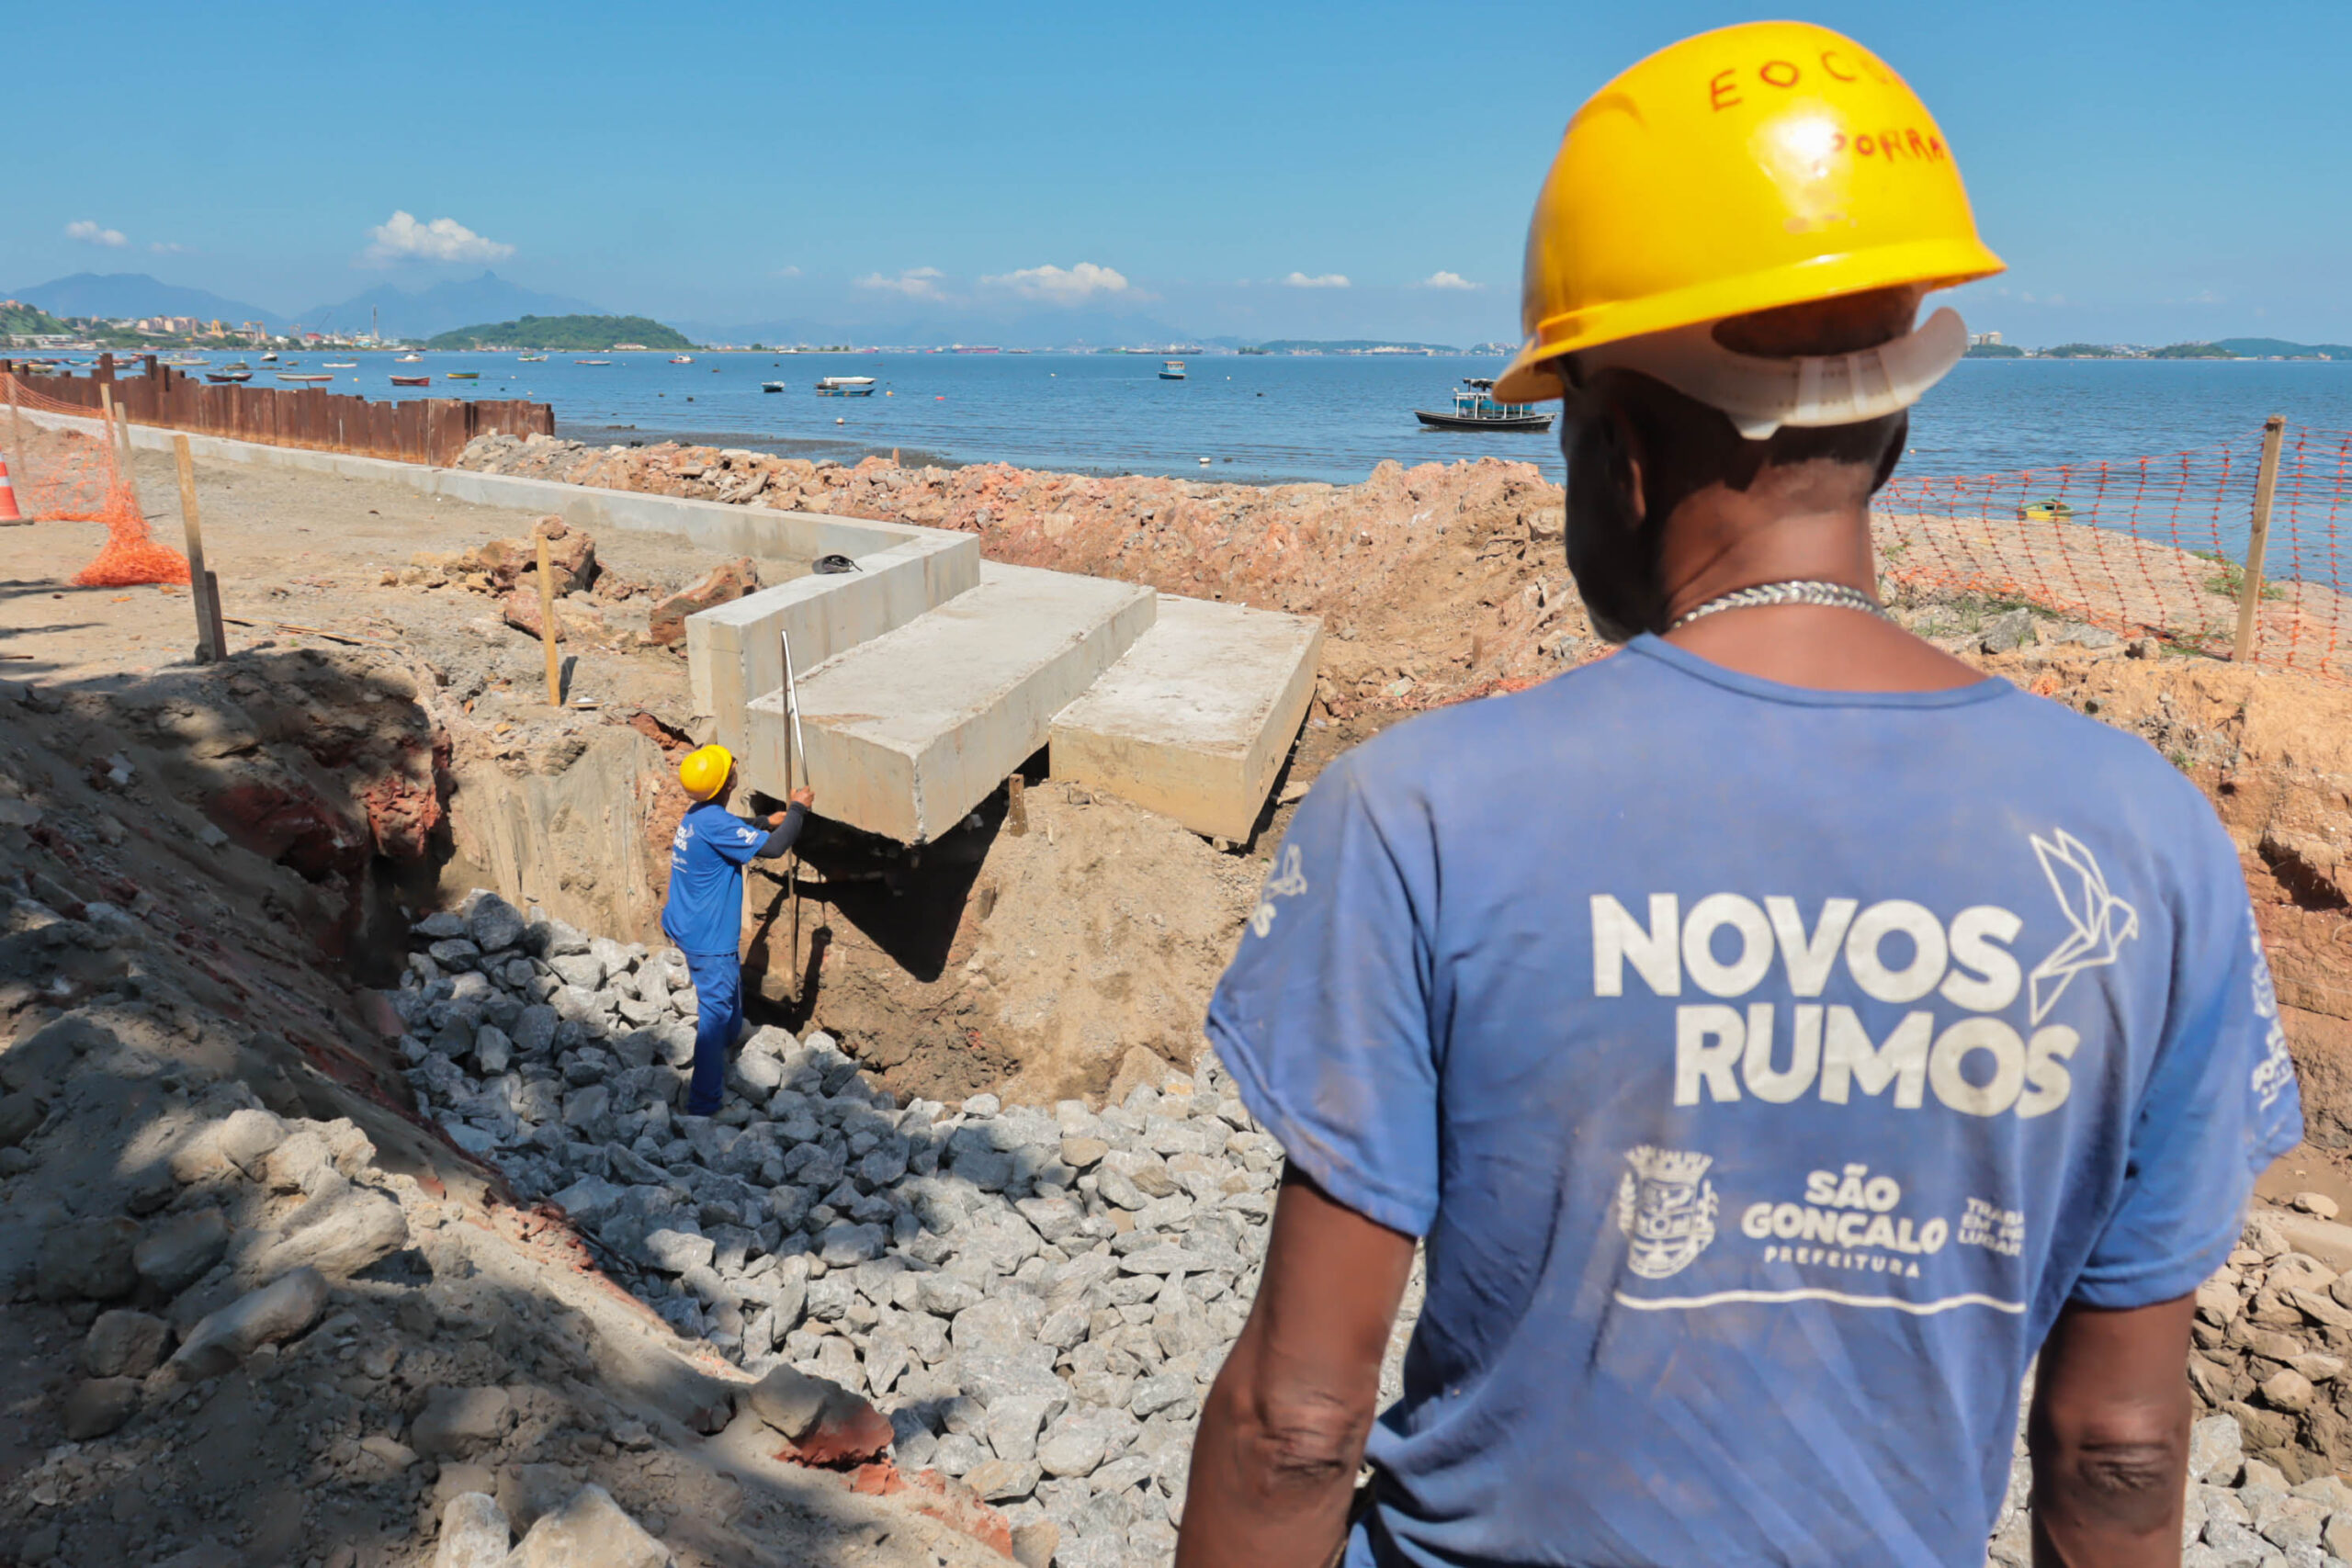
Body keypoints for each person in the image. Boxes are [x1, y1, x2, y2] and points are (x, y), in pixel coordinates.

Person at [1180, 21, 2301, 1568]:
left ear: (1621, 451)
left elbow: (1294, 1423)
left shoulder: (1422, 811)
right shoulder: (2149, 842)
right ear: (1891, 427)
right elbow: (2119, 1448)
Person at [662, 743, 813, 1117]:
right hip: (709, 938)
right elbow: (775, 850)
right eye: (731, 769)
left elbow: (730, 829)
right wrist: (798, 809)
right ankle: (703, 1106)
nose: (735, 769)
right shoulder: (715, 822)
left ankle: (730, 1039)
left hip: (687, 923)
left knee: (727, 985)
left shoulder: (699, 814)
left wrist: (763, 821)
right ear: (727, 784)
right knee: (713, 1016)